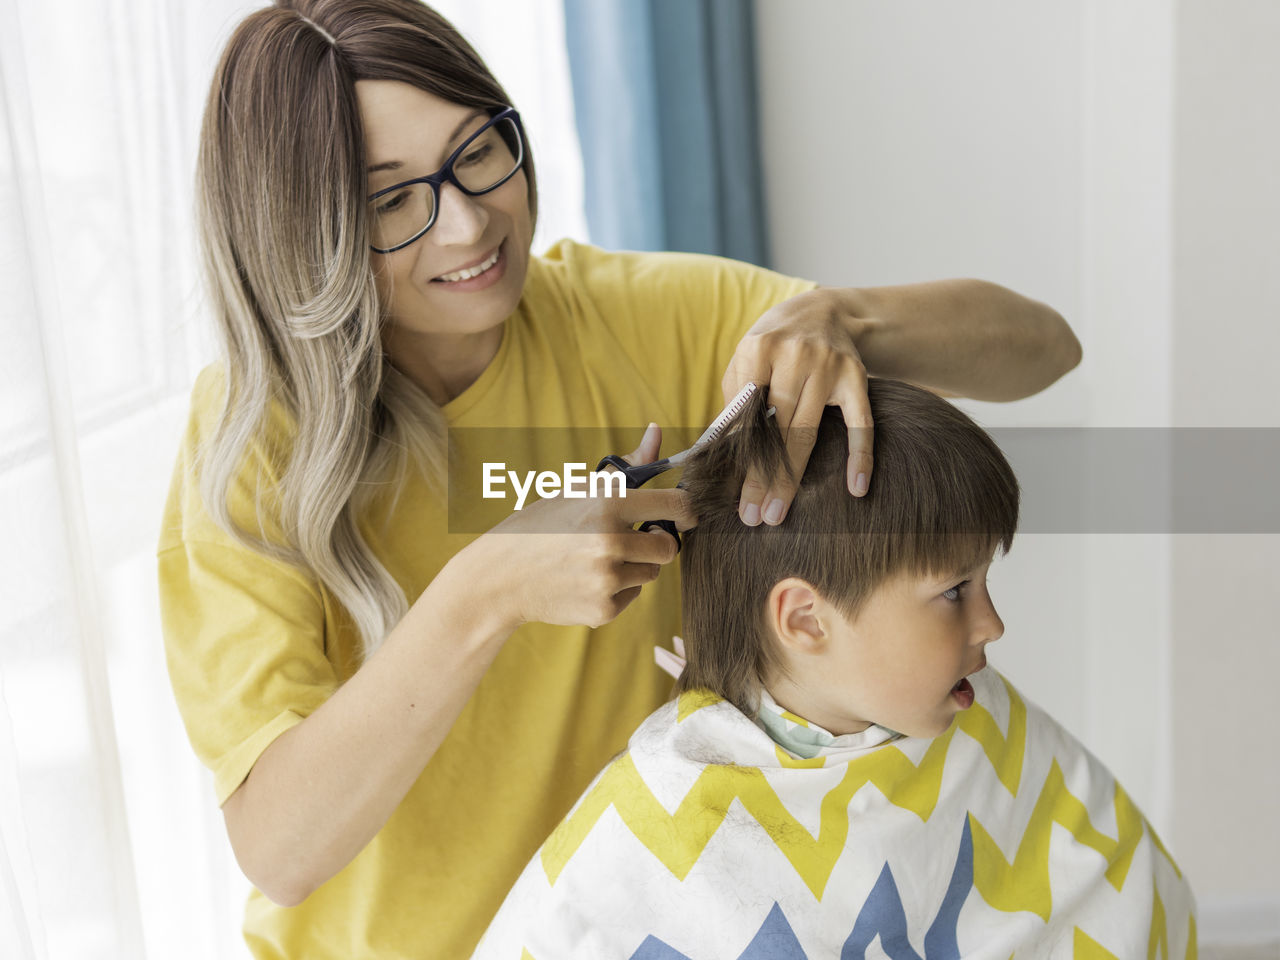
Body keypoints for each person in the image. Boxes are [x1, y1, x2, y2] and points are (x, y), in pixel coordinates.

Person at [156, 1, 1082, 956]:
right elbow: (280, 848)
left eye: (479, 149)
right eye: (392, 201)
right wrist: (494, 585)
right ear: (303, 237)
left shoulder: (639, 320)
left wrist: (843, 318)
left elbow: (1042, 348)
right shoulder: (251, 447)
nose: (470, 223)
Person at [473, 379, 1196, 959]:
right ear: (806, 620)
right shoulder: (658, 826)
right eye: (954, 592)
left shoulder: (980, 727)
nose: (993, 626)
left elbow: (1115, 891)